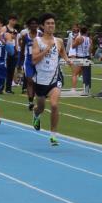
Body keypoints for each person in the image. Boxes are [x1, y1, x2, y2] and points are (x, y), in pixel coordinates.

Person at [30, 14, 64, 146]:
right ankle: (36, 114)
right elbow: (34, 60)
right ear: (42, 26)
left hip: (55, 79)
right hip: (40, 81)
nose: (51, 25)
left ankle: (53, 135)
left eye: (53, 23)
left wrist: (68, 60)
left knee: (54, 105)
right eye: (48, 23)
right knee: (41, 107)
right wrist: (46, 50)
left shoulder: (59, 41)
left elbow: (62, 52)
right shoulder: (37, 41)